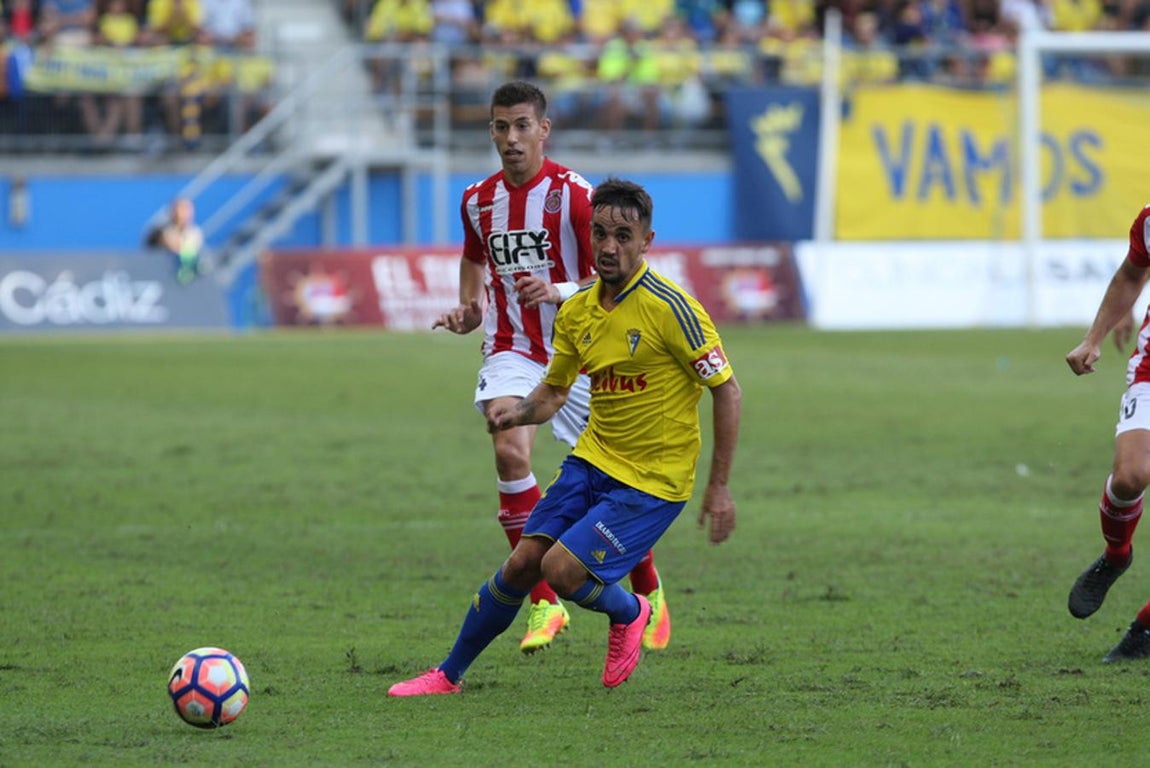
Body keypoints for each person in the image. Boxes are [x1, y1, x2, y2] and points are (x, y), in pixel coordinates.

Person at [390, 178, 742, 696]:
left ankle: (632, 610)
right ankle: (447, 674)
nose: (608, 246)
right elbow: (554, 394)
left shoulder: (673, 309)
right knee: (522, 565)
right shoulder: (576, 311)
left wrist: (719, 487)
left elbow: (727, 391)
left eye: (623, 235)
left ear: (647, 240)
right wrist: (516, 414)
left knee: (560, 570)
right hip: (592, 462)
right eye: (600, 233)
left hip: (652, 481)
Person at [430, 81, 672, 655]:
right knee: (508, 443)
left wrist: (558, 289)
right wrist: (471, 308)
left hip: (583, 348)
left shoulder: (575, 194)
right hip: (512, 345)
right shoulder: (477, 199)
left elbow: (614, 274)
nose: (510, 138)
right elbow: (473, 257)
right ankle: (543, 600)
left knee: (613, 479)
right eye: (499, 126)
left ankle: (648, 588)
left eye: (520, 126)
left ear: (543, 129)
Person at [1066, 202, 1150, 662]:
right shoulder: (1149, 218)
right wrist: (1095, 336)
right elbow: (1132, 274)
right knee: (1129, 476)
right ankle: (1116, 553)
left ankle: (1146, 629)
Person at [147, 196, 205, 284]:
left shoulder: (195, 232)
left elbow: (193, 247)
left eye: (188, 209)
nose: (185, 213)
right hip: (163, 275)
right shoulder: (162, 231)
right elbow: (171, 245)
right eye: (182, 209)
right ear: (173, 211)